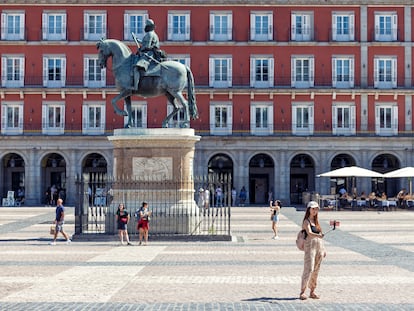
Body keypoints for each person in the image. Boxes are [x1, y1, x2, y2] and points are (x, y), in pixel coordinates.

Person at [300, 201, 326, 300]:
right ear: (309, 209)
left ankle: (312, 291)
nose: (315, 210)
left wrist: (324, 249)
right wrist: (318, 235)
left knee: (316, 269)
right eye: (313, 208)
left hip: (319, 247)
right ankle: (302, 291)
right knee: (309, 268)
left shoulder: (317, 222)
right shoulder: (306, 221)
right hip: (310, 246)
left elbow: (321, 238)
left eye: (316, 209)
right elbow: (310, 233)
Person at [131, 19, 161, 91]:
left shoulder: (149, 34)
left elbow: (147, 46)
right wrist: (138, 40)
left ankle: (135, 87)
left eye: (146, 25)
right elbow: (146, 43)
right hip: (151, 53)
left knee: (136, 68)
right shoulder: (153, 34)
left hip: (149, 54)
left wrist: (141, 50)